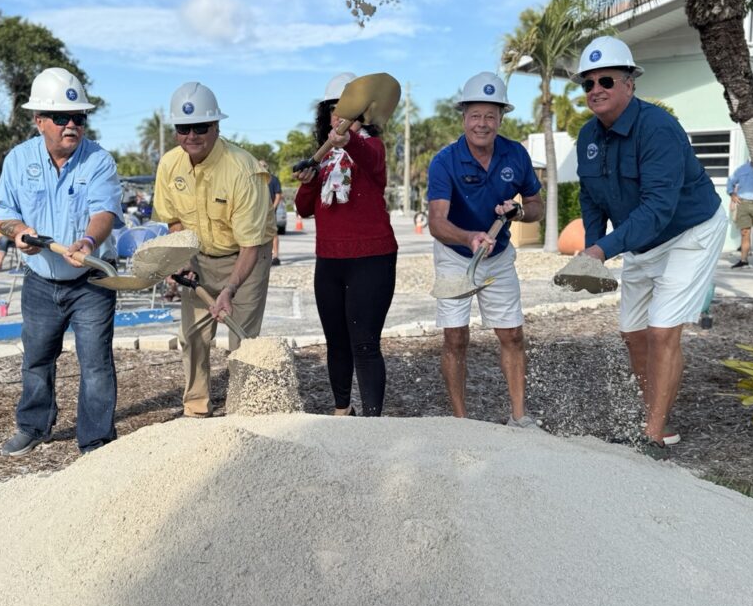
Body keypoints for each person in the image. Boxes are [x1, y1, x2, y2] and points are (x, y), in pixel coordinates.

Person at [572, 36, 727, 459]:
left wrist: (604, 250)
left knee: (661, 331)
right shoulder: (588, 135)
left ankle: (653, 435)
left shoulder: (658, 129)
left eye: (606, 80)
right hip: (642, 240)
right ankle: (657, 416)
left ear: (629, 84)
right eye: (588, 83)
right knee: (633, 334)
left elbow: (658, 207)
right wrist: (592, 253)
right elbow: (590, 198)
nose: (596, 89)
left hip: (689, 231)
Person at [0, 67, 123, 456]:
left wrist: (86, 241)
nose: (72, 126)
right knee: (36, 358)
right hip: (40, 280)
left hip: (91, 282)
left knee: (96, 363)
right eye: (63, 118)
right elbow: (2, 212)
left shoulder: (99, 160)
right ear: (39, 121)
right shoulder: (18, 160)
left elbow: (104, 213)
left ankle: (96, 440)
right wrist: (17, 231)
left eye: (79, 118)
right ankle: (34, 426)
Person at [427, 72, 544, 427]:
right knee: (455, 337)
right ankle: (462, 422)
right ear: (463, 117)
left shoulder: (516, 154)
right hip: (455, 254)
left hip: (499, 255)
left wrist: (518, 211)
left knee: (512, 334)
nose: (483, 123)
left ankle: (519, 417)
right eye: (476, 115)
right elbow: (436, 222)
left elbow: (536, 204)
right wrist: (468, 238)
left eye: (490, 116)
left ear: (501, 118)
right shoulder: (444, 161)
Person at [153, 82, 274, 418]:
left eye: (201, 127)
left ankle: (244, 411)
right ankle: (195, 407)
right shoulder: (169, 166)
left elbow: (250, 245)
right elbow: (173, 222)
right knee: (192, 336)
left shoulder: (243, 170)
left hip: (246, 259)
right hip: (200, 259)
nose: (192, 135)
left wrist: (230, 290)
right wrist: (185, 261)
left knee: (243, 340)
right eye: (183, 128)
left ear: (217, 126)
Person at [293, 72, 398, 417]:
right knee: (336, 343)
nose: (339, 117)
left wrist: (347, 141)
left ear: (364, 114)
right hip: (329, 260)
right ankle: (342, 410)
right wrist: (309, 181)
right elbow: (304, 208)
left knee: (364, 343)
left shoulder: (370, 146)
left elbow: (373, 162)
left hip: (372, 258)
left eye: (348, 110)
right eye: (333, 110)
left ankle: (371, 420)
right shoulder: (322, 157)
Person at [265, 162, 283, 266]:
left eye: (264, 165)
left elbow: (278, 195)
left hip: (270, 212)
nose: (262, 167)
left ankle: (276, 256)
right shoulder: (255, 179)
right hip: (257, 212)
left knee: (273, 234)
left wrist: (272, 208)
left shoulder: (273, 179)